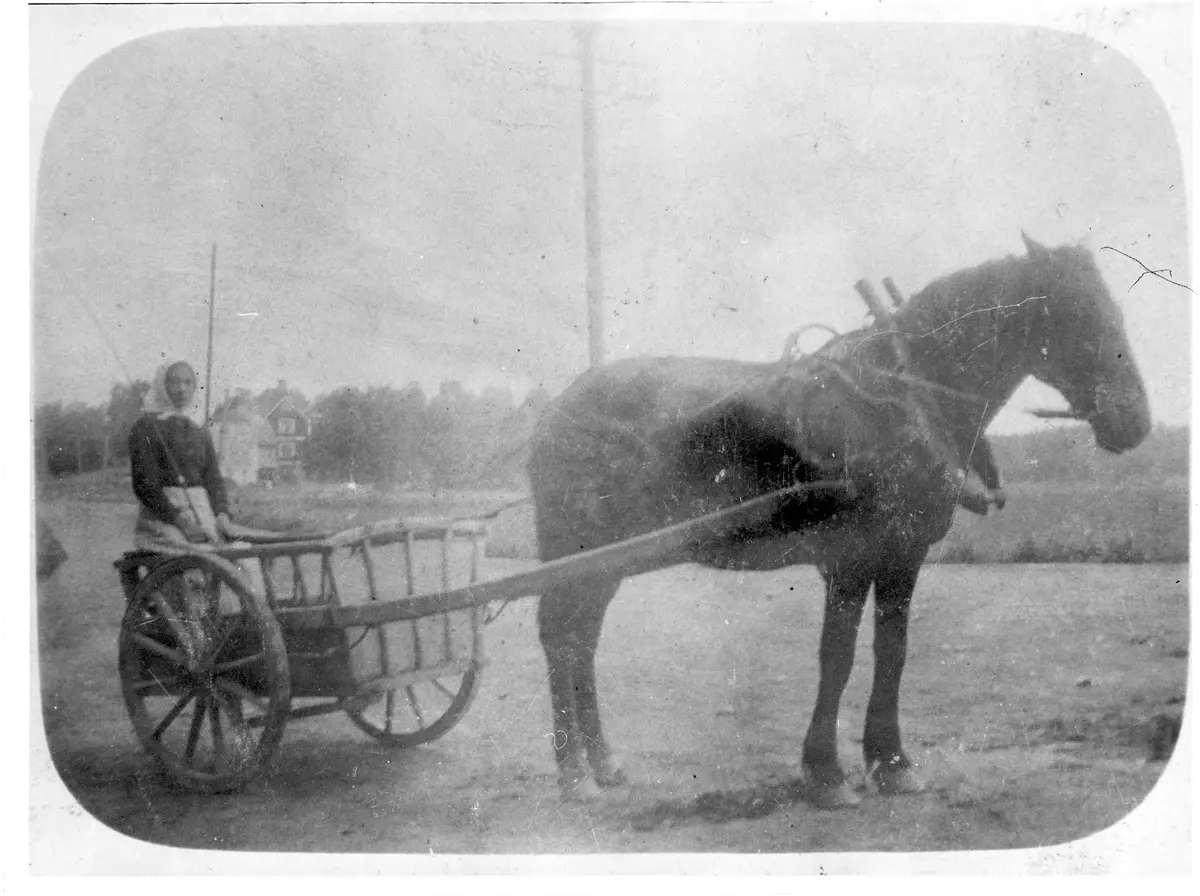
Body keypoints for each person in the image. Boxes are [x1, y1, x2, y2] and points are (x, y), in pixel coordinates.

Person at [129, 360, 234, 551]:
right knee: (201, 558)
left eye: (188, 382)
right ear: (162, 385)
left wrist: (221, 514)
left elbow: (213, 478)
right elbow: (145, 485)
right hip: (164, 520)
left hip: (202, 514)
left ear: (194, 387)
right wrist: (182, 523)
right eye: (174, 382)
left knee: (244, 559)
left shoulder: (199, 430)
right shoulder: (146, 426)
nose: (181, 389)